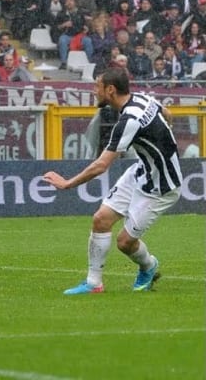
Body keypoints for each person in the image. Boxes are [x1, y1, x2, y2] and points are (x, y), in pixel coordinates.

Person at [43, 69, 182, 295]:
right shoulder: (143, 98)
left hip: (162, 188)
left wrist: (67, 184)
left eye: (97, 86)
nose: (94, 90)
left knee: (125, 242)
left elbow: (101, 165)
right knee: (101, 220)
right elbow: (167, 114)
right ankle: (93, 283)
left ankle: (149, 266)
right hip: (140, 172)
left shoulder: (129, 119)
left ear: (110, 90)